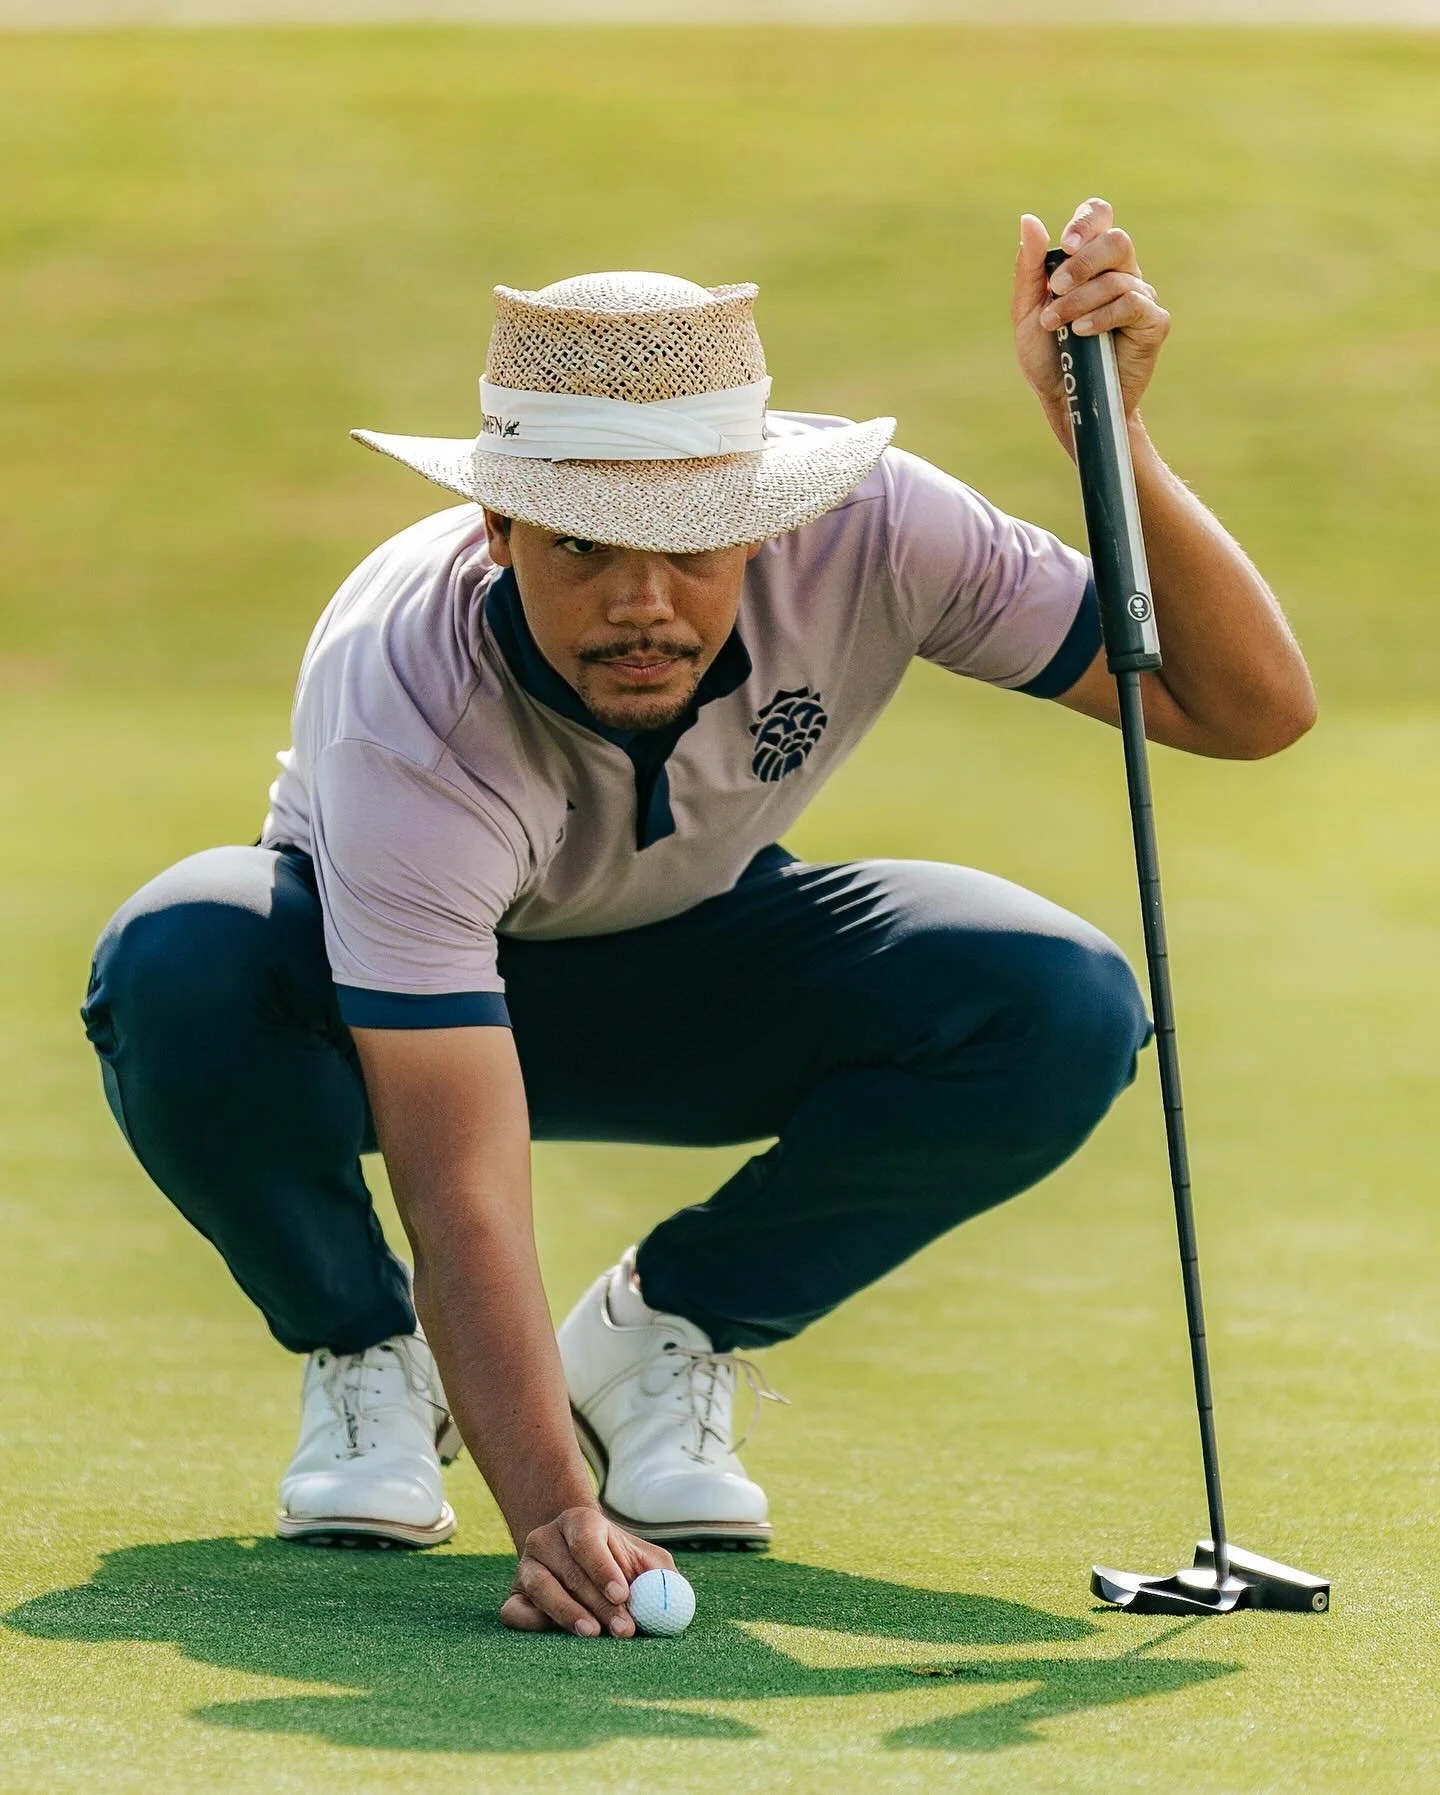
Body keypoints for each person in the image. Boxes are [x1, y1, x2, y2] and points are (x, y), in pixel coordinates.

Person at [81, 199, 1315, 1642]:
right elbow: (461, 1182)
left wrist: (1115, 448)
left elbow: (1245, 709)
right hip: (359, 1003)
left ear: (770, 515)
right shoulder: (402, 698)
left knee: (1057, 998)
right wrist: (551, 1515)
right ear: (493, 526)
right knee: (182, 953)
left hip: (698, 963)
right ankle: (370, 1347)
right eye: (584, 548)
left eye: (691, 546)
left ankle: (665, 1325)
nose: (642, 603)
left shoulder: (880, 529)